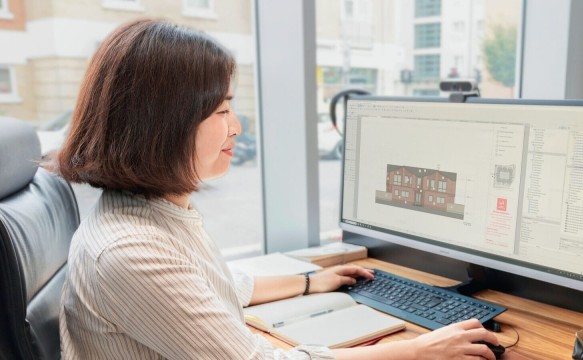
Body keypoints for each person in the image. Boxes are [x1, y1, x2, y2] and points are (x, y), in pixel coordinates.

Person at [55, 18, 499, 360]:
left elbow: (214, 287)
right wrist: (418, 350)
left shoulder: (151, 213)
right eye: (222, 110)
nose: (236, 127)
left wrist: (310, 282)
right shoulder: (127, 251)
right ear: (163, 124)